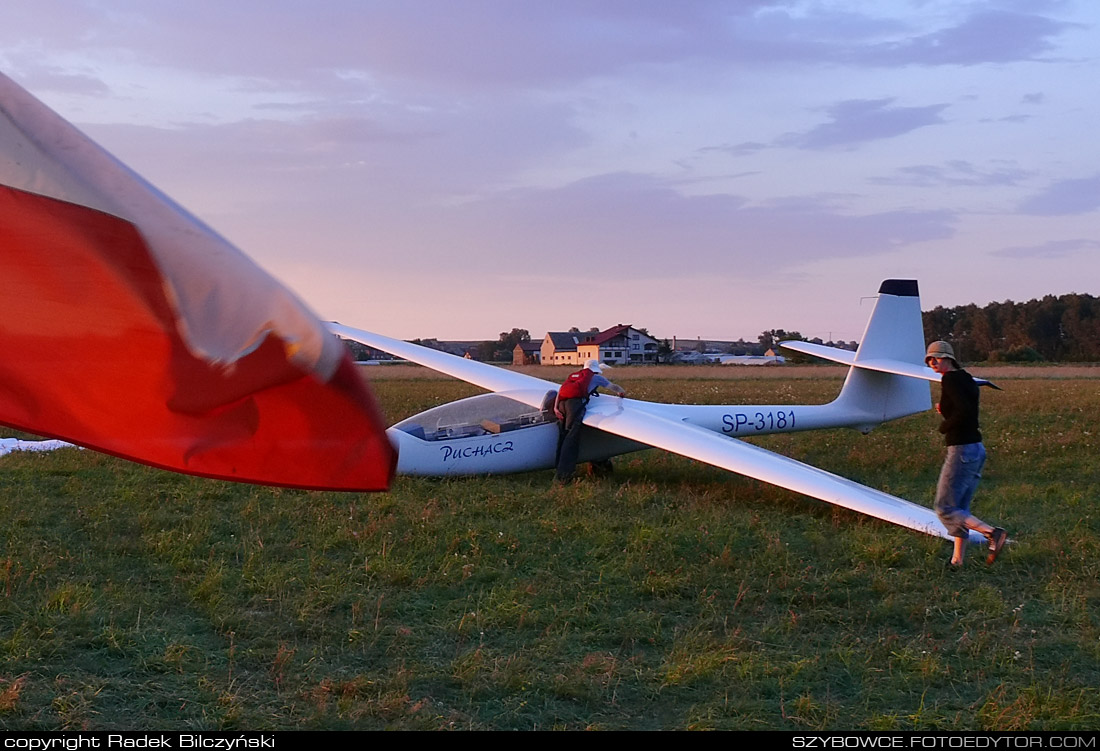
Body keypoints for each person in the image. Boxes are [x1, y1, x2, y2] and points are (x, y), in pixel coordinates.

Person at [926, 341, 1008, 567]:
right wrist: (946, 410)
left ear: (948, 358)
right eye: (929, 360)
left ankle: (992, 533)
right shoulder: (967, 378)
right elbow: (966, 408)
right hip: (975, 448)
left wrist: (944, 425)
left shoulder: (949, 379)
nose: (933, 362)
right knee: (960, 508)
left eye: (937, 358)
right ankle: (957, 561)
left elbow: (963, 411)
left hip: (961, 448)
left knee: (944, 508)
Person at [554, 359, 626, 483]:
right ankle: (564, 477)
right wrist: (621, 392)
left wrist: (556, 408)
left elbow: (561, 390)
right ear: (596, 369)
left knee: (563, 436)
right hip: (574, 405)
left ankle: (558, 468)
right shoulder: (595, 378)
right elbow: (613, 387)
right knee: (572, 439)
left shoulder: (575, 376)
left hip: (561, 404)